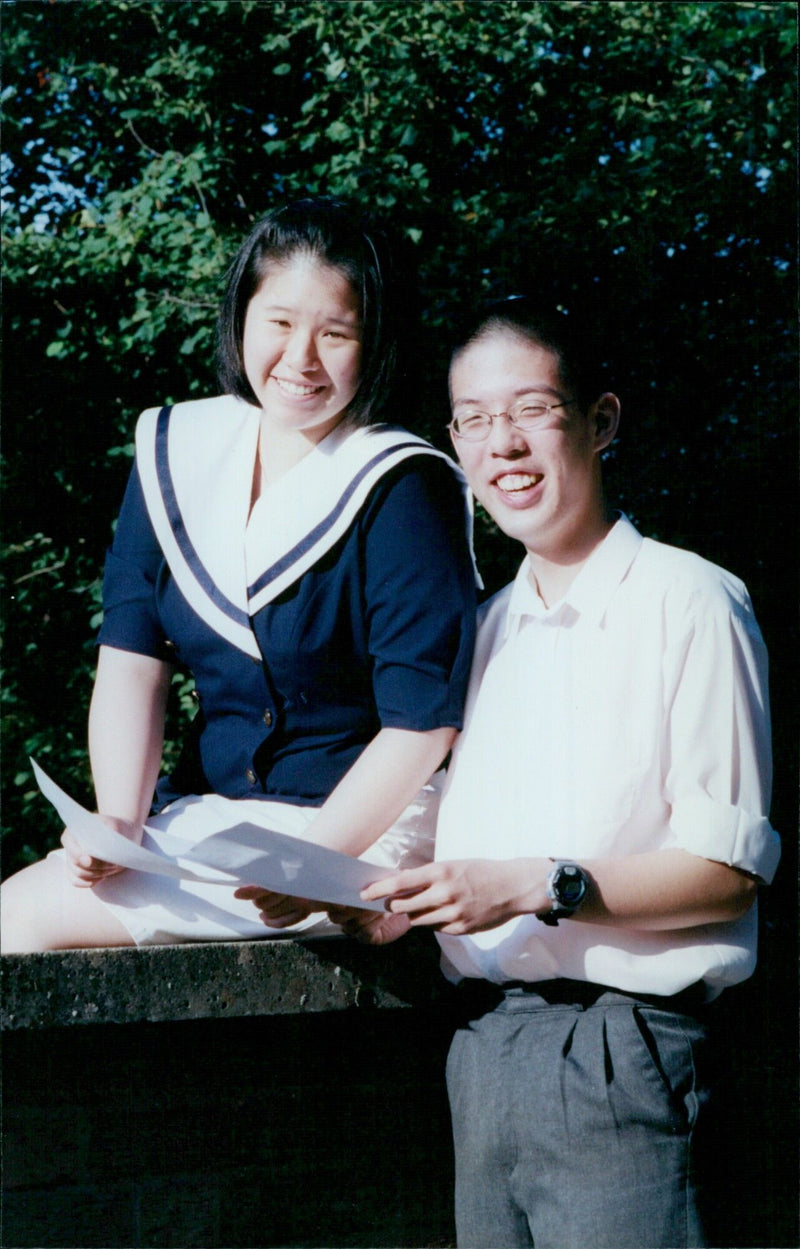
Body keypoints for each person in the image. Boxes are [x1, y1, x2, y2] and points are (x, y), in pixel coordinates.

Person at [355, 299, 780, 1248]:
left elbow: (729, 868)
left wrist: (535, 885)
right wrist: (367, 896)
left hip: (623, 1053)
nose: (501, 442)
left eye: (532, 409)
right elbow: (436, 836)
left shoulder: (693, 601)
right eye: (473, 419)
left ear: (601, 420)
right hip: (481, 1053)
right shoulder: (482, 630)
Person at [1, 197, 477, 952]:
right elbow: (130, 661)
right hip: (214, 825)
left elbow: (421, 727)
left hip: (361, 830)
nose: (300, 359)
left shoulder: (404, 483)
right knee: (14, 916)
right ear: (241, 317)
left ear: (375, 339)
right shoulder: (175, 448)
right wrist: (117, 822)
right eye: (280, 322)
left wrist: (312, 864)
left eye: (336, 332)